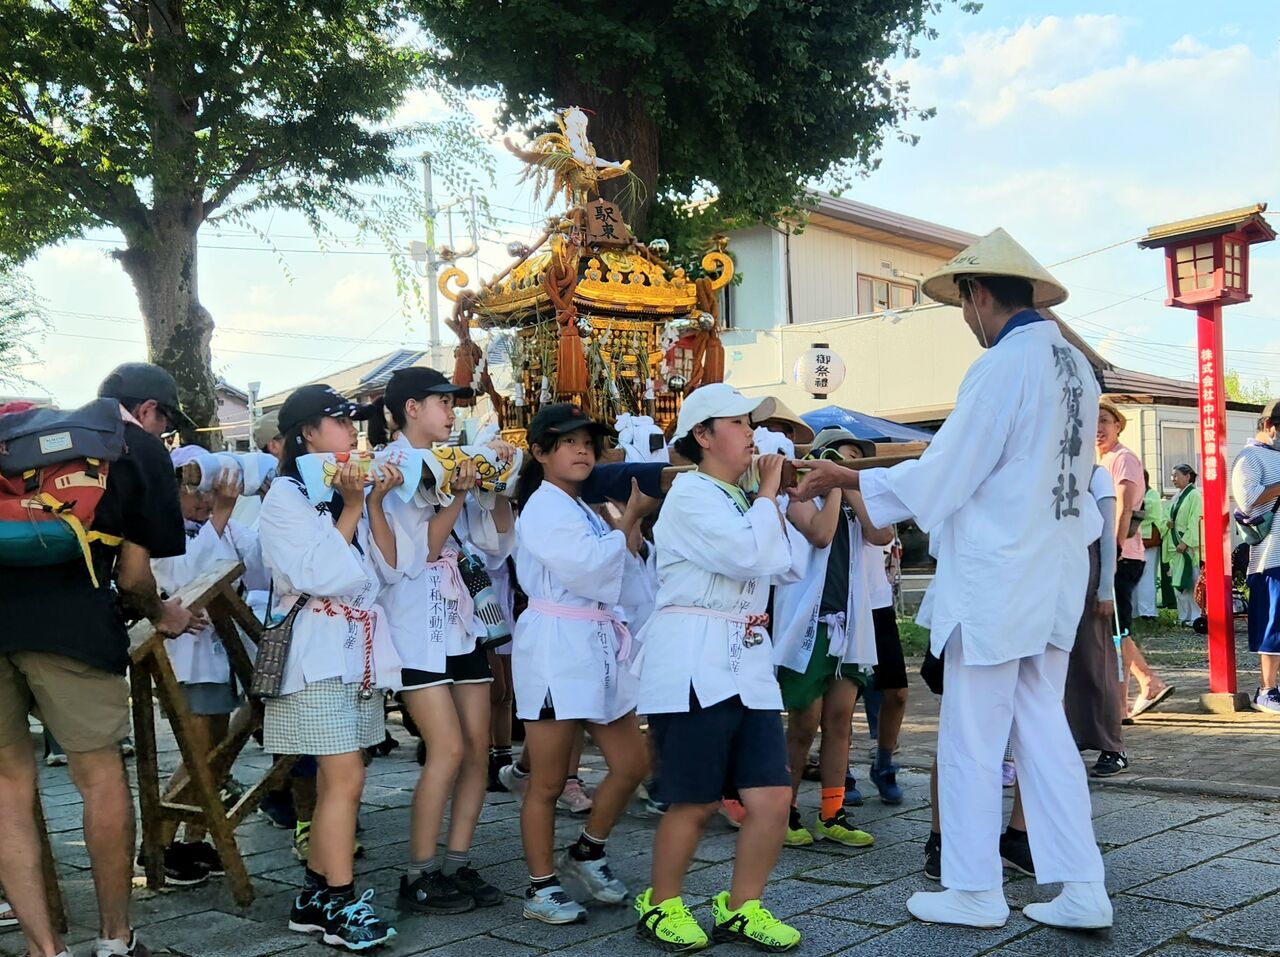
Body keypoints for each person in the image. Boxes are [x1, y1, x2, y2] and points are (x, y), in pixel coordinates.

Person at [793, 229, 1112, 930]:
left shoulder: (1005, 365)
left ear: (979, 293)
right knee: (1042, 732)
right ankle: (1082, 883)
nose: (966, 319)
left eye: (964, 304)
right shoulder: (1075, 365)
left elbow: (951, 467)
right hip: (1053, 569)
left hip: (1000, 574)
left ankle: (974, 886)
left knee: (974, 729)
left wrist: (851, 475)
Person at [0, 362, 195, 957]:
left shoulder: (16, 436)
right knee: (100, 778)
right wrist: (164, 613)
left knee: (7, 786)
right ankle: (114, 938)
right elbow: (135, 577)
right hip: (75, 630)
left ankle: (43, 948)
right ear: (150, 411)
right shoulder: (134, 448)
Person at [633, 383, 803, 953]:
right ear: (703, 436)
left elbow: (788, 564)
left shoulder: (740, 497)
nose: (752, 433)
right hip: (693, 659)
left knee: (772, 797)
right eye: (738, 422)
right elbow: (746, 555)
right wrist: (770, 494)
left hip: (747, 661)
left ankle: (742, 904)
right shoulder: (690, 494)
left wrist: (779, 497)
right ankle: (660, 904)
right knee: (696, 797)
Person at [363, 367, 514, 915]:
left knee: (478, 749)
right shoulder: (389, 468)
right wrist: (458, 491)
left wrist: (493, 486)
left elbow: (487, 541)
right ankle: (418, 873)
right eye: (441, 403)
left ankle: (457, 861)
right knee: (446, 749)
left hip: (462, 620)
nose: (451, 413)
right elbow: (415, 555)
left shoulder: (453, 461)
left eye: (453, 404)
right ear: (410, 409)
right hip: (415, 626)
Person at [258, 384, 402, 952]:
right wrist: (348, 507)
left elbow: (386, 571)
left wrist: (372, 504)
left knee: (347, 777)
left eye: (353, 422)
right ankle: (339, 900)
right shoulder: (285, 495)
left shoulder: (350, 488)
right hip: (315, 652)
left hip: (354, 650)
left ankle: (315, 897)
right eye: (339, 422)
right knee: (345, 778)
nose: (352, 432)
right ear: (306, 434)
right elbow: (318, 574)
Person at [511, 403, 652, 924]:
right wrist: (631, 520)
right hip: (555, 645)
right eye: (568, 442)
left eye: (588, 442)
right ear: (540, 453)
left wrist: (627, 530)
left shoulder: (586, 507)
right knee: (548, 781)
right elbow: (589, 571)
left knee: (633, 763)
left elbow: (624, 576)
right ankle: (540, 886)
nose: (582, 449)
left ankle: (588, 850)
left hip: (595, 639)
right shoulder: (543, 508)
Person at [150, 447, 266, 885]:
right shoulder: (161, 531)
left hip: (224, 658)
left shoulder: (226, 527)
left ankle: (194, 839)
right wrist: (219, 516)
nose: (202, 500)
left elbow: (260, 567)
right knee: (200, 758)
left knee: (218, 756)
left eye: (208, 491)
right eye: (192, 491)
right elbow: (185, 580)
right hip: (188, 662)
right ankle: (159, 846)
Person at [773, 427, 884, 850]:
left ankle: (833, 811)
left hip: (851, 623)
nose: (847, 464)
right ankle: (784, 811)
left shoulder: (857, 505)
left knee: (840, 721)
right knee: (803, 722)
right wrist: (833, 485)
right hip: (809, 624)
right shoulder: (795, 497)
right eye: (839, 457)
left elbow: (881, 536)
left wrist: (850, 486)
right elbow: (819, 534)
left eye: (856, 460)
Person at [1096, 399, 1174, 718]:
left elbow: (1123, 510)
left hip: (1121, 556)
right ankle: (1148, 682)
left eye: (1104, 420)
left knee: (1116, 630)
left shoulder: (1123, 458)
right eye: (1092, 421)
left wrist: (1111, 553)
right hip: (1107, 555)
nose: (1098, 428)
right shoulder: (1100, 460)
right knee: (1114, 629)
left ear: (1118, 425)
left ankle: (1122, 706)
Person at [1064, 467, 1127, 776]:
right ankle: (1073, 737)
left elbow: (1106, 538)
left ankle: (1112, 746)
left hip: (1089, 576)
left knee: (1095, 662)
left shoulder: (1095, 474)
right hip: (1058, 573)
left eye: (1105, 420)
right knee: (1063, 665)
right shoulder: (1054, 469)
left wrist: (1105, 589)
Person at [1230, 403, 1280, 713]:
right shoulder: (1248, 458)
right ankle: (1266, 689)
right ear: (1271, 426)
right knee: (1273, 624)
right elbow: (1247, 501)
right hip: (1270, 557)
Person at [1163, 465, 1203, 626]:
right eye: (1172, 476)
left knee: (1191, 581)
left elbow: (1195, 520)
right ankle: (1183, 615)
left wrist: (1186, 541)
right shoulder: (1177, 496)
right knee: (1179, 582)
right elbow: (1167, 515)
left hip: (1187, 545)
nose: (1173, 479)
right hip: (1175, 542)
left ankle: (1195, 616)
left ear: (1188, 476)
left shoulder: (1194, 495)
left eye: (1176, 475)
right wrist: (1168, 523)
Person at [1136, 471, 1164, 619]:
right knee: (1138, 577)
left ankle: (1147, 612)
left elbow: (1144, 508)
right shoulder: (1140, 493)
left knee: (1146, 577)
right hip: (1136, 539)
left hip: (1149, 539)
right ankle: (1138, 611)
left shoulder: (1151, 494)